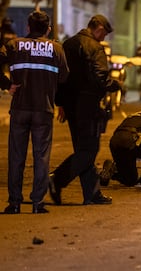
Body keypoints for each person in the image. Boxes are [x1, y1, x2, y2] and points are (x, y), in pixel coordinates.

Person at [1, 10, 69, 214]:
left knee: (16, 156)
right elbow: (64, 77)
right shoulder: (56, 49)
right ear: (48, 29)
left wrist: (6, 85)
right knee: (41, 156)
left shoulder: (14, 45)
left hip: (20, 108)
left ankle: (14, 203)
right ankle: (38, 203)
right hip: (43, 108)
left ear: (28, 27)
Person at [49, 14, 120, 206]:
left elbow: (60, 77)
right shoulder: (95, 48)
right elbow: (100, 77)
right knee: (89, 149)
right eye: (104, 33)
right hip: (88, 105)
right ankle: (57, 178)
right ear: (97, 28)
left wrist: (61, 103)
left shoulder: (68, 44)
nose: (104, 37)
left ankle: (92, 193)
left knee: (82, 149)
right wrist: (116, 84)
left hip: (71, 105)